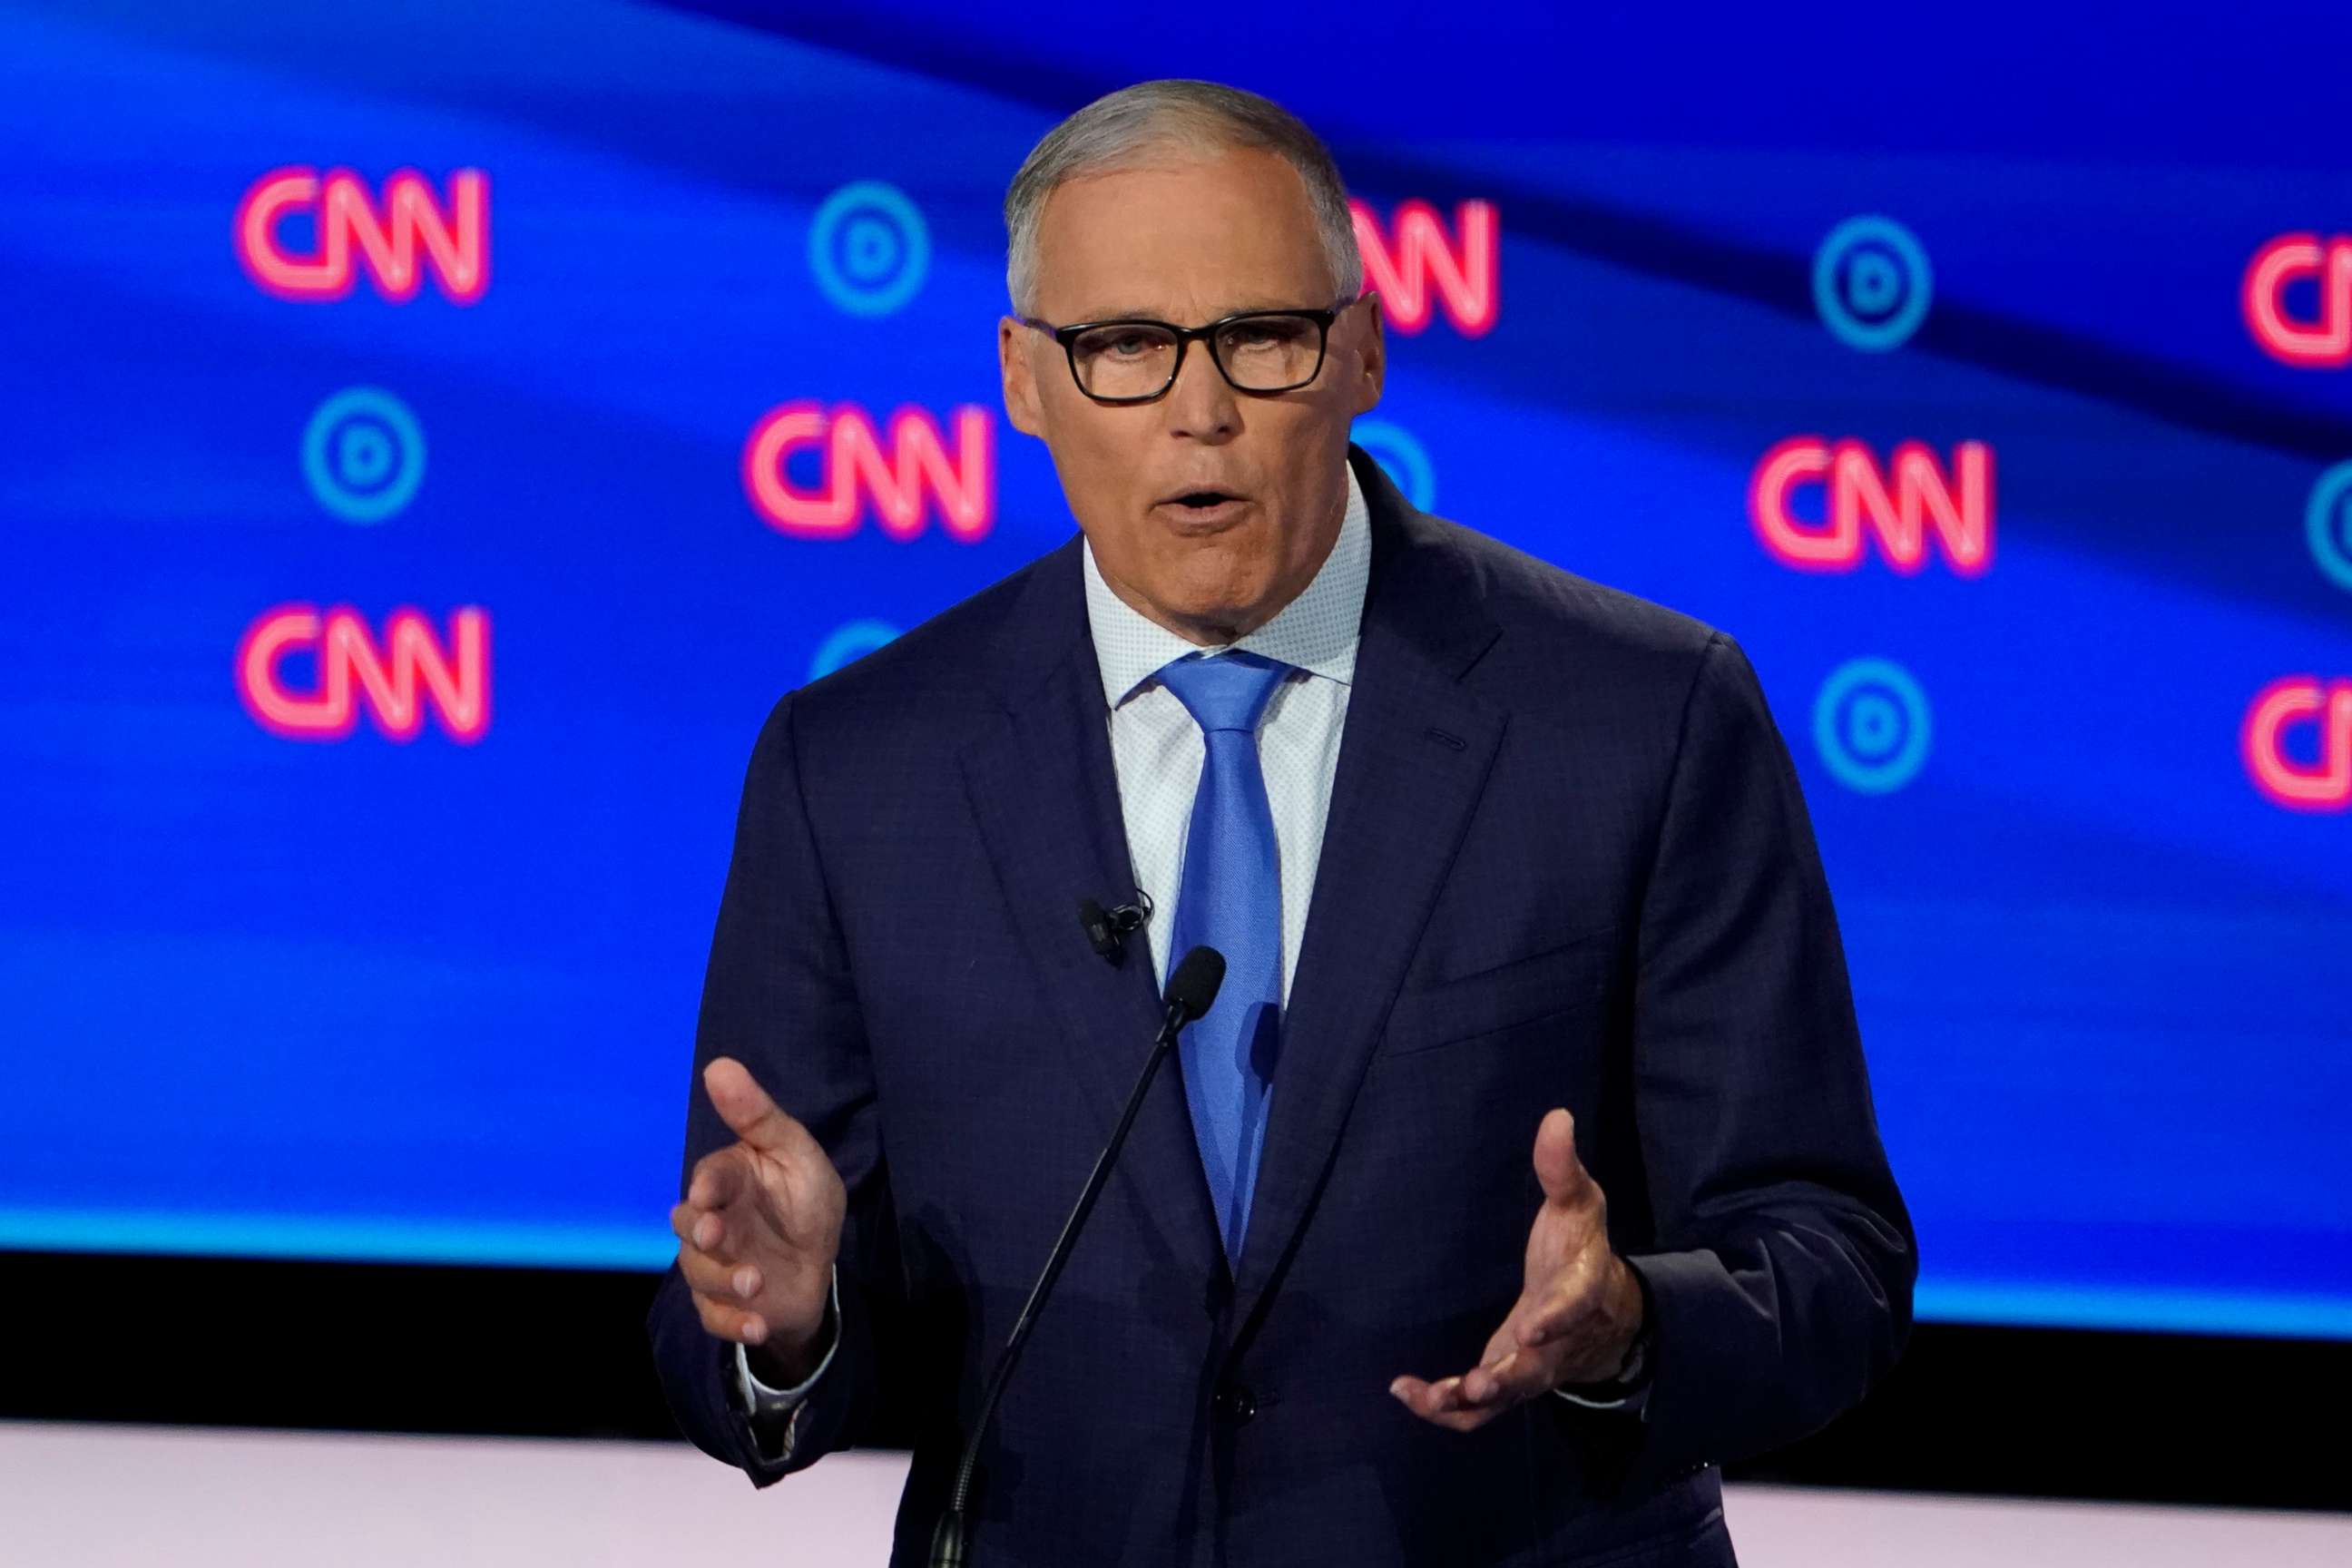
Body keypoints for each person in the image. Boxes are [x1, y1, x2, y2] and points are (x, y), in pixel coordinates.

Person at [646, 78, 1916, 1568]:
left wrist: (1632, 1326)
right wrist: (788, 1325)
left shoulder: (1642, 718)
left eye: (1262, 337)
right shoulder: (858, 768)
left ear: (1362, 347)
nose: (1201, 410)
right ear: (1023, 378)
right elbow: (735, 1319)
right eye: (1123, 345)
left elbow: (1830, 1264)